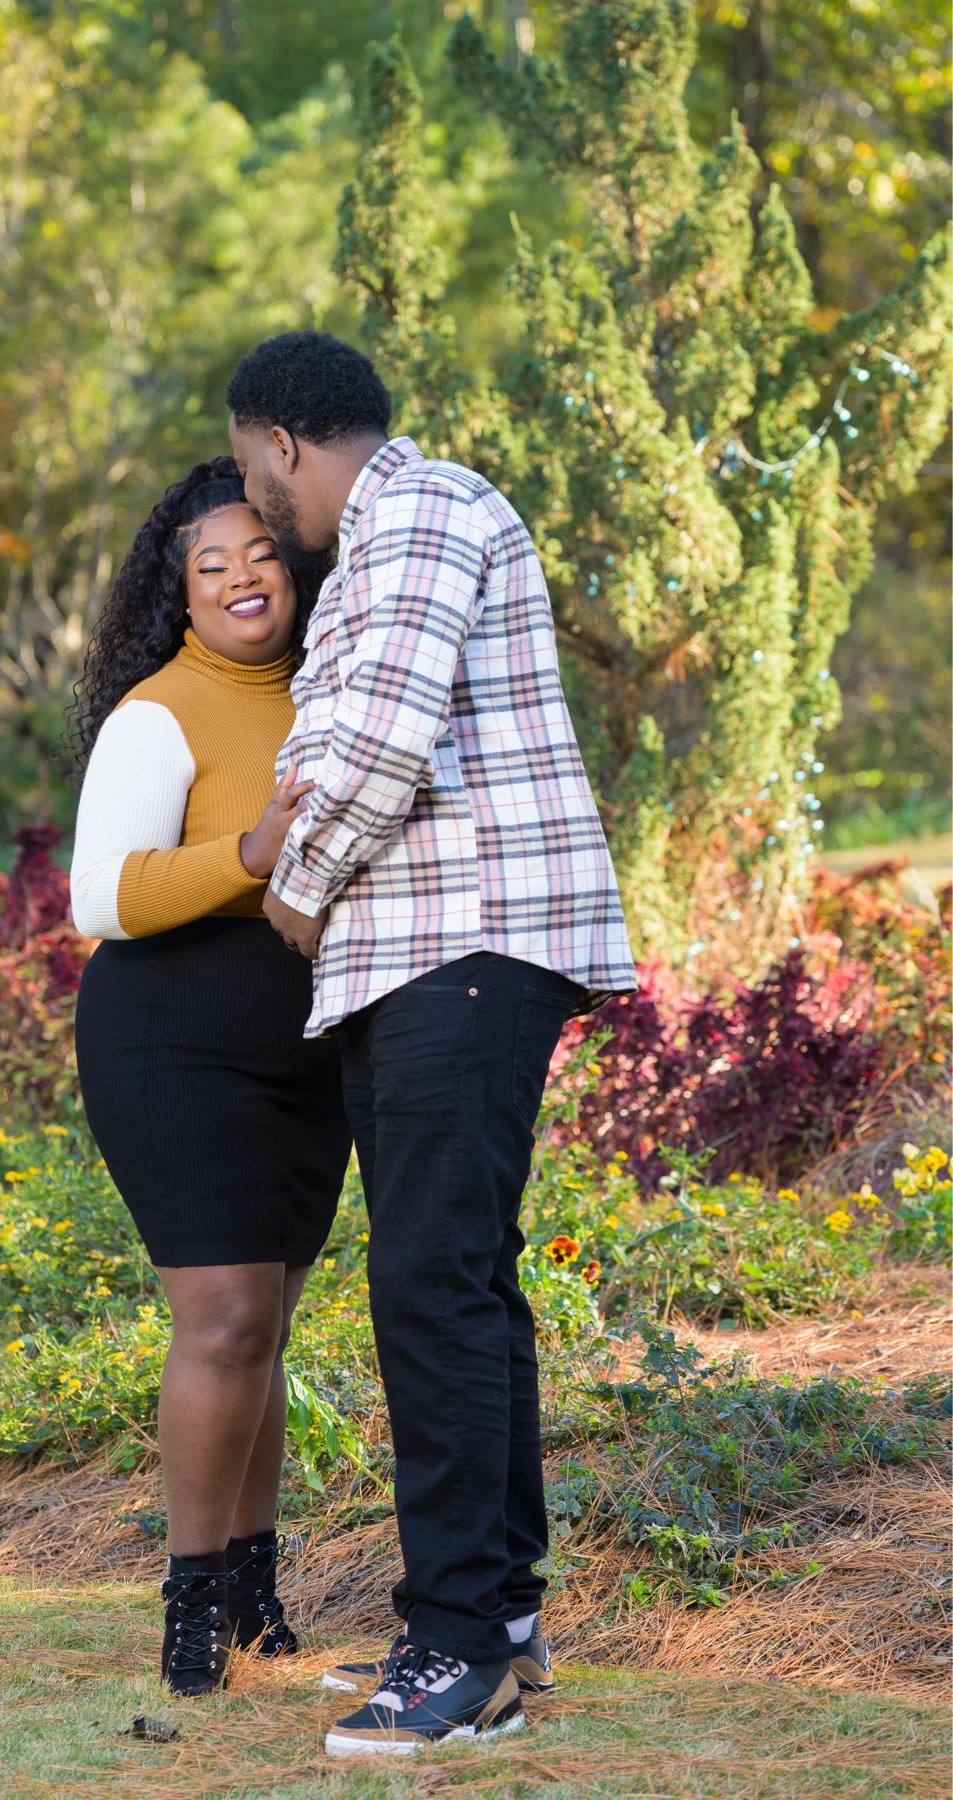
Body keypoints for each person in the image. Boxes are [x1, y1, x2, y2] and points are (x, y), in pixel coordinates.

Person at [226, 332, 638, 1757]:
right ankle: (499, 1622)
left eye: (249, 469)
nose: (255, 499)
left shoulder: (417, 510)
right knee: (460, 1281)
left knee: (428, 1286)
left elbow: (385, 736)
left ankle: (455, 1649)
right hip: (419, 952)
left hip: (458, 942)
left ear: (282, 444)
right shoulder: (396, 530)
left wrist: (295, 883)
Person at [66, 457, 352, 1697]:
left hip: (311, 1045)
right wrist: (248, 849)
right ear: (178, 593)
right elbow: (99, 897)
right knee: (226, 1317)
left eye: (261, 555)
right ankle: (189, 1604)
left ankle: (252, 1591)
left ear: (297, 570)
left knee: (264, 1326)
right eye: (211, 564)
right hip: (173, 1040)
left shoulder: (337, 689)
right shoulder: (158, 713)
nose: (242, 579)